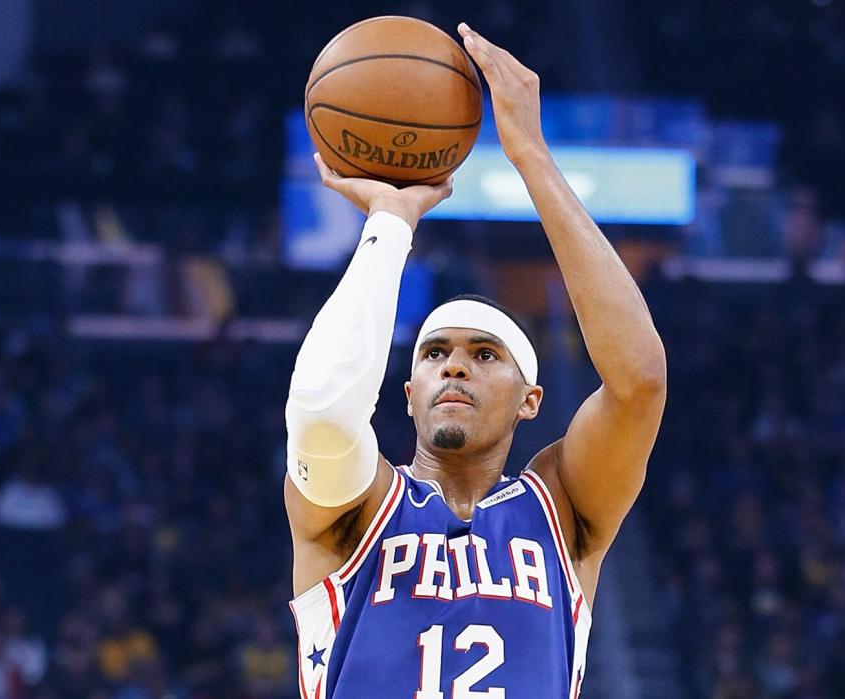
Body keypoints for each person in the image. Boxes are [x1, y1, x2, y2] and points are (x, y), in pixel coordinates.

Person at [282, 22, 667, 698]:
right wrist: (390, 223)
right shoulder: (361, 507)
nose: (454, 366)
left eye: (484, 353)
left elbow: (639, 382)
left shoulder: (563, 510)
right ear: (407, 390)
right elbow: (321, 414)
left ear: (531, 399)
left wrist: (533, 157)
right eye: (435, 352)